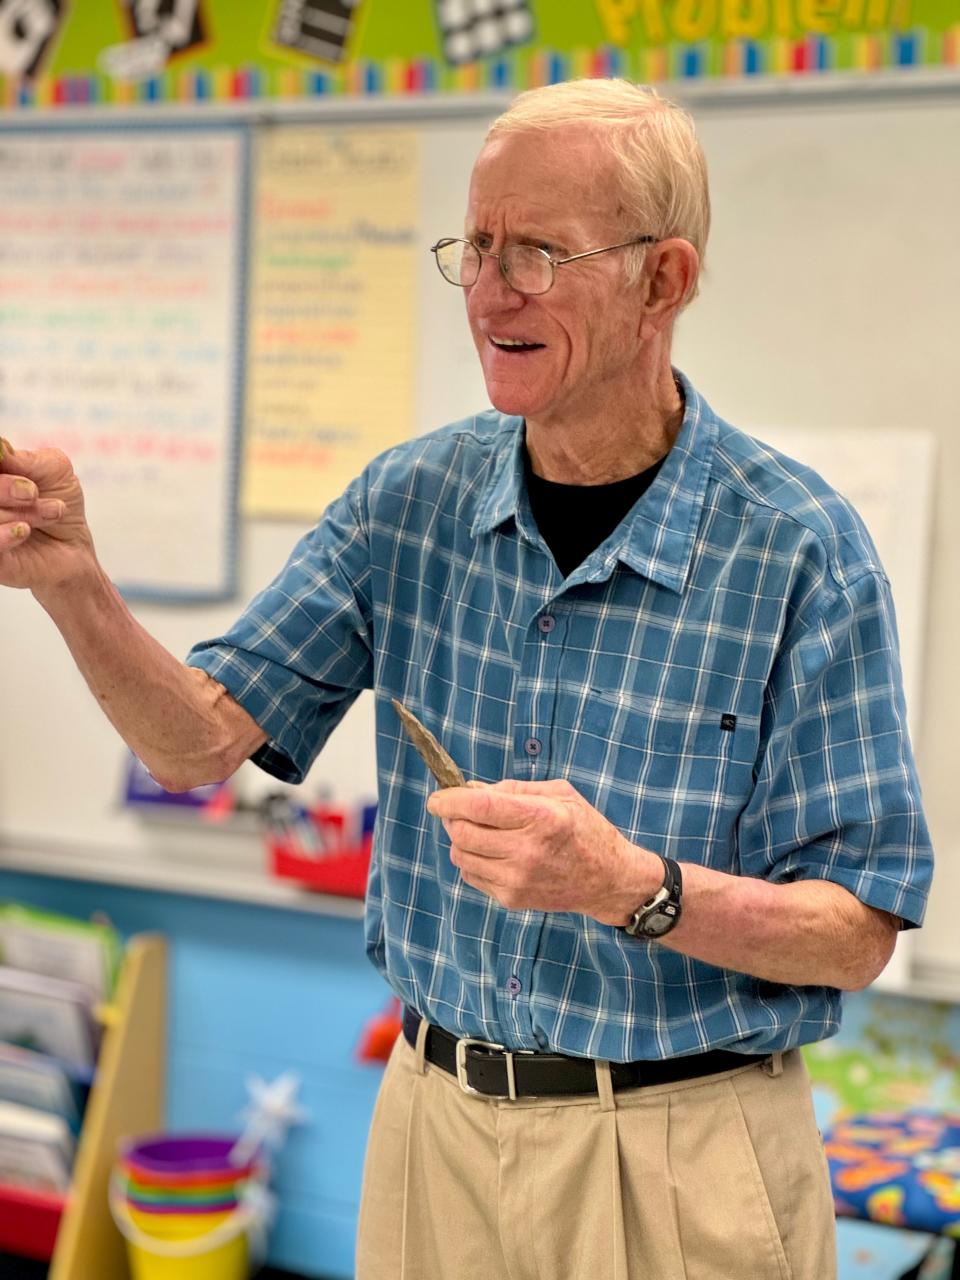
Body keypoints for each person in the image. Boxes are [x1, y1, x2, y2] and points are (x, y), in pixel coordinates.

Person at [0, 78, 933, 1280]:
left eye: (540, 251)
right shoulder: (409, 501)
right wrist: (71, 579)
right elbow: (195, 744)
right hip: (434, 1123)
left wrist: (631, 886)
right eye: (478, 245)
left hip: (679, 1151)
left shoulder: (799, 546)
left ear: (666, 279)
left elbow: (856, 930)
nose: (491, 292)